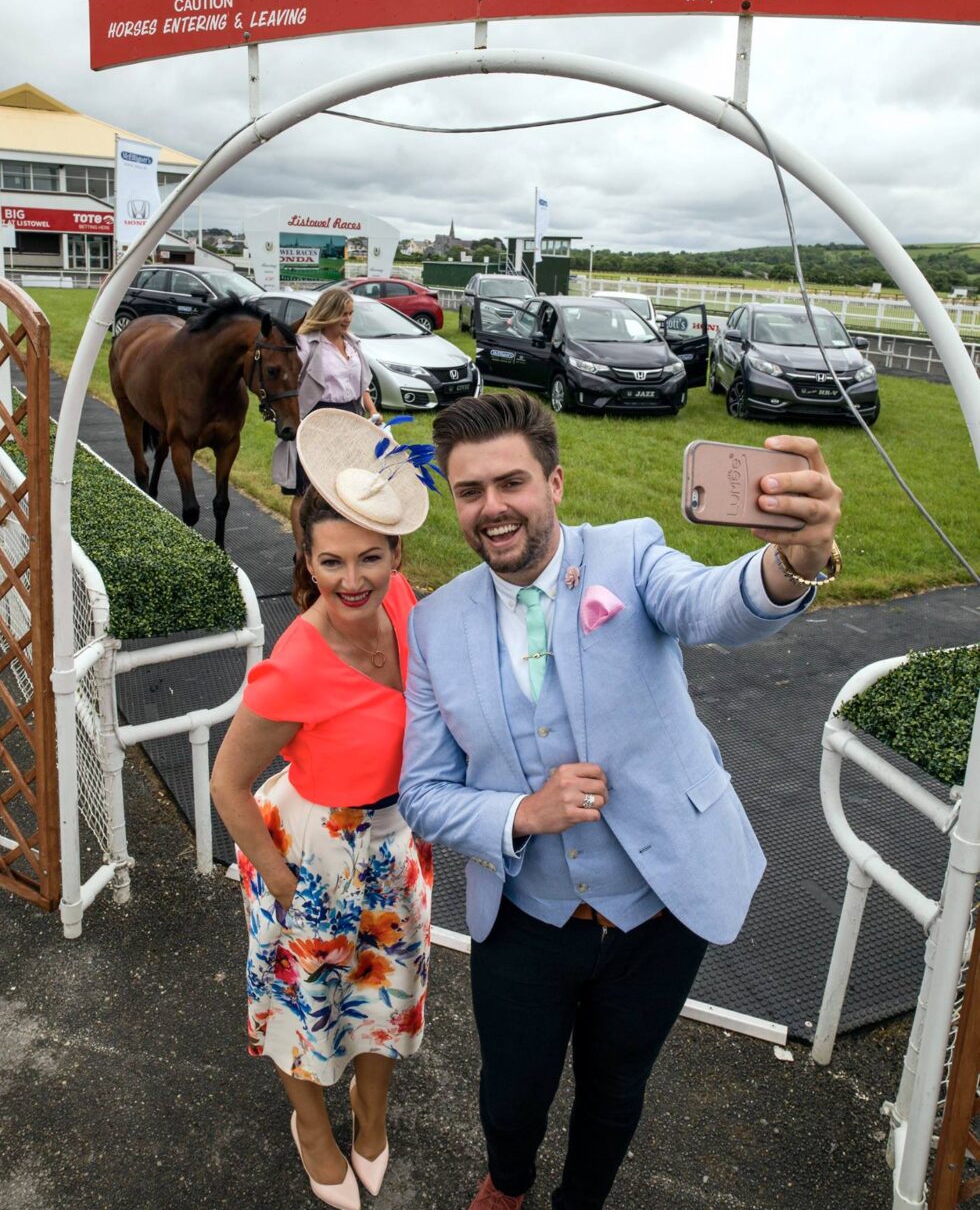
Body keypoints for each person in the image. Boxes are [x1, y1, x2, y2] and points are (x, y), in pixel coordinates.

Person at [398, 391, 843, 1210]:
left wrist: (792, 564)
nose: (492, 507)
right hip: (526, 918)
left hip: (657, 912)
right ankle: (509, 1179)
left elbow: (715, 603)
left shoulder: (630, 554)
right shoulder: (432, 625)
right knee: (512, 1089)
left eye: (512, 482)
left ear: (556, 482)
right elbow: (423, 792)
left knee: (617, 1086)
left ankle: (583, 1199)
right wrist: (521, 814)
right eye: (469, 491)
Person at [212, 409, 435, 1210]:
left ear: (396, 553)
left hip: (390, 843)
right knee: (307, 1005)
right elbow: (226, 783)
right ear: (306, 558)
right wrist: (277, 879)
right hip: (308, 852)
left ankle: (370, 1120)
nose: (353, 579)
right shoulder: (296, 662)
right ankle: (313, 1125)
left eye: (370, 556)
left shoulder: (406, 602)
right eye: (332, 560)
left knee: (382, 994)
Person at [270, 287, 383, 553]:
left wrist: (373, 412)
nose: (347, 319)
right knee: (305, 490)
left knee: (343, 488)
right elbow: (288, 380)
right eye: (342, 313)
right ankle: (302, 552)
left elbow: (362, 386)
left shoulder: (353, 344)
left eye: (350, 314)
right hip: (316, 421)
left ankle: (335, 545)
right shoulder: (305, 343)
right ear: (328, 312)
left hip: (350, 420)